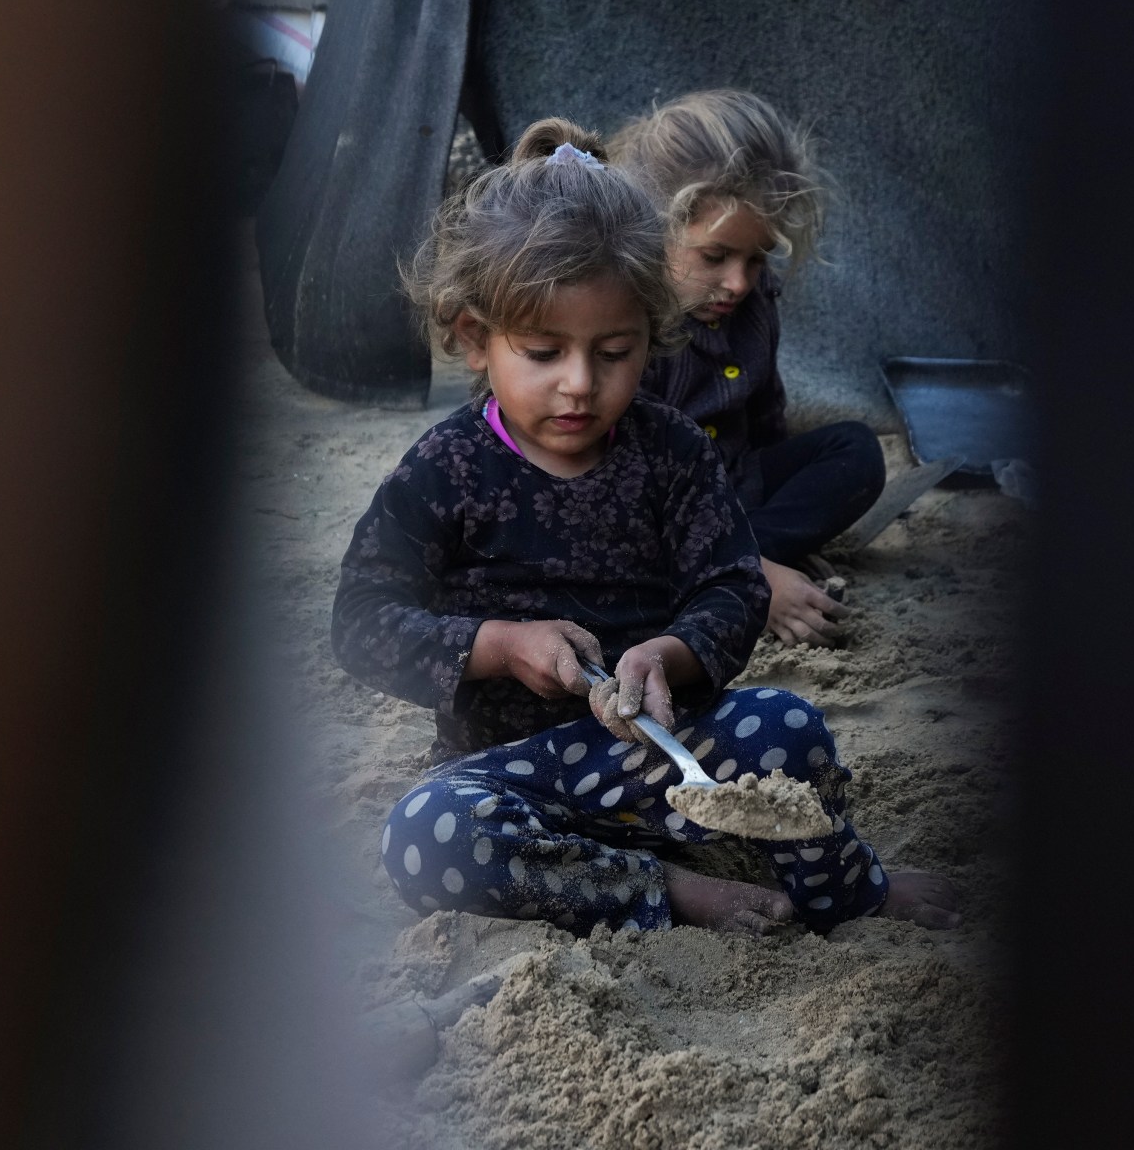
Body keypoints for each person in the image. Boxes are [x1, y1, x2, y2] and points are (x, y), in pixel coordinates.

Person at [331, 118, 953, 935]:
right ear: (477, 340)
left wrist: (667, 653)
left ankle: (850, 889)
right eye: (545, 352)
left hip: (671, 759)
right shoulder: (444, 469)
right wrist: (499, 645)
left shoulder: (671, 451)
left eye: (614, 352)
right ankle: (666, 889)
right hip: (512, 777)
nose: (580, 385)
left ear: (652, 340)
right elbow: (362, 621)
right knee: (422, 836)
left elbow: (731, 587)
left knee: (789, 725)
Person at [613, 89, 887, 648]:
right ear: (652, 232)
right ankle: (738, 575)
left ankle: (746, 555)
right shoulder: (626, 330)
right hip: (657, 515)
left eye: (756, 257)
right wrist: (753, 571)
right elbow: (620, 487)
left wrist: (757, 532)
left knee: (856, 451)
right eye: (714, 257)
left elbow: (767, 416)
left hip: (741, 489)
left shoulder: (754, 301)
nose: (739, 282)